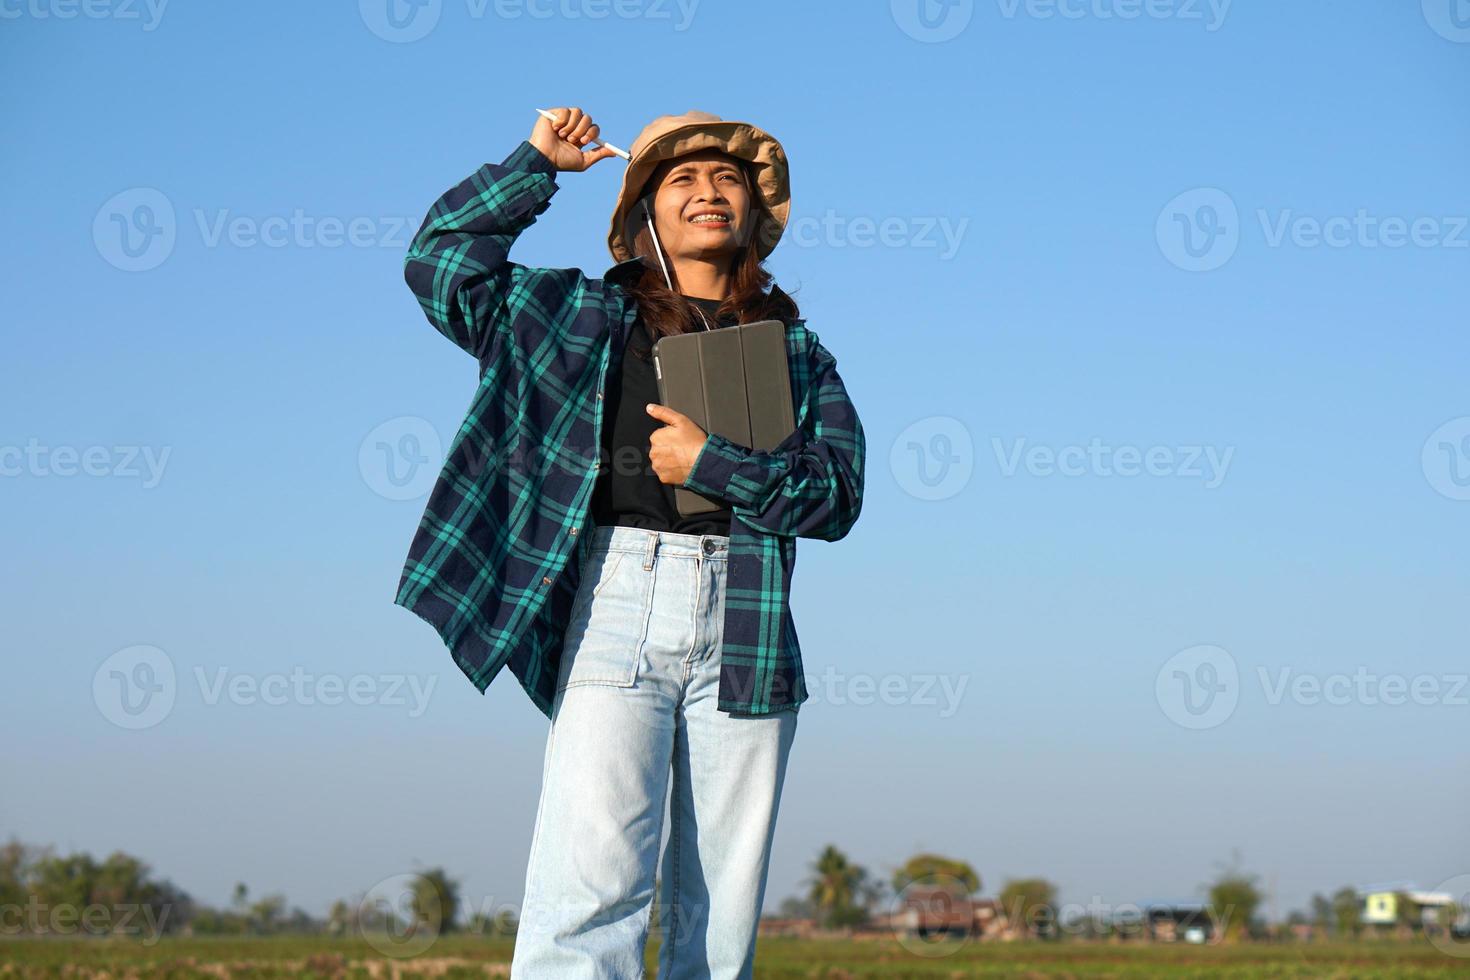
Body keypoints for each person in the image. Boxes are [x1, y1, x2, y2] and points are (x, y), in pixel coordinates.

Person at [396, 106, 866, 978]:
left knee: (718, 920)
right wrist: (535, 164)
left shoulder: (797, 353)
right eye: (679, 178)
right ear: (644, 214)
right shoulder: (569, 312)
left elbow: (837, 495)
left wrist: (714, 463)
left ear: (754, 214)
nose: (707, 190)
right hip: (615, 602)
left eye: (727, 176)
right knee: (591, 883)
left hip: (750, 624)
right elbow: (439, 263)